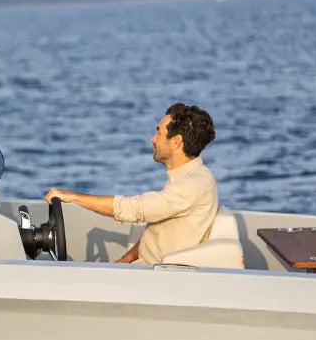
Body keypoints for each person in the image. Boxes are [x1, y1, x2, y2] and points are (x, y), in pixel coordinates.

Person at [44, 103, 218, 265]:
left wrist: (73, 197)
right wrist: (126, 260)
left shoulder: (192, 186)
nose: (152, 139)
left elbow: (134, 209)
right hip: (144, 268)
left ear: (176, 142)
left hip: (158, 278)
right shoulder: (189, 178)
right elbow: (159, 231)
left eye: (158, 133)